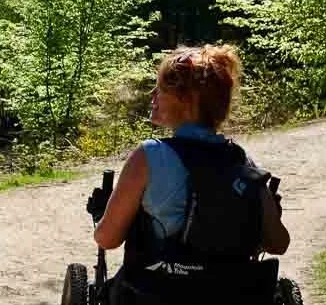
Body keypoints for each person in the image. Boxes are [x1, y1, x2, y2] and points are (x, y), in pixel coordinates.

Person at [91, 44, 289, 262]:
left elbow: (107, 239)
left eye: (160, 89)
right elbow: (278, 244)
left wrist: (103, 214)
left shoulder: (150, 155)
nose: (153, 95)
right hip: (231, 292)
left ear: (186, 100)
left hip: (157, 291)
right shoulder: (242, 161)